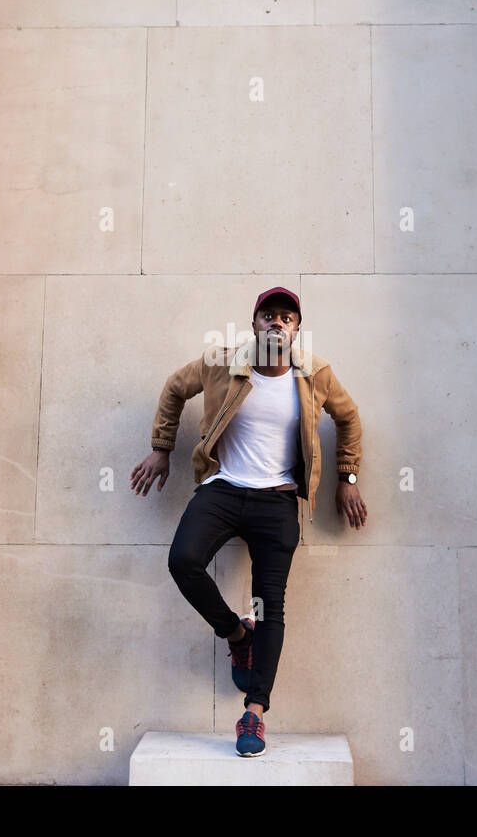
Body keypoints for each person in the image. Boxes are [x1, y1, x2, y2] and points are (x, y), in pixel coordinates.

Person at [129, 287, 366, 757]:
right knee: (183, 561)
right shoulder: (221, 362)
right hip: (224, 488)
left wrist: (348, 475)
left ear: (296, 328)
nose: (277, 323)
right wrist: (161, 448)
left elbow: (350, 417)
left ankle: (254, 714)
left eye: (287, 317)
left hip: (278, 502)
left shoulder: (315, 373)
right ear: (254, 323)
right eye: (268, 315)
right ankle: (237, 634)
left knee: (269, 604)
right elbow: (176, 389)